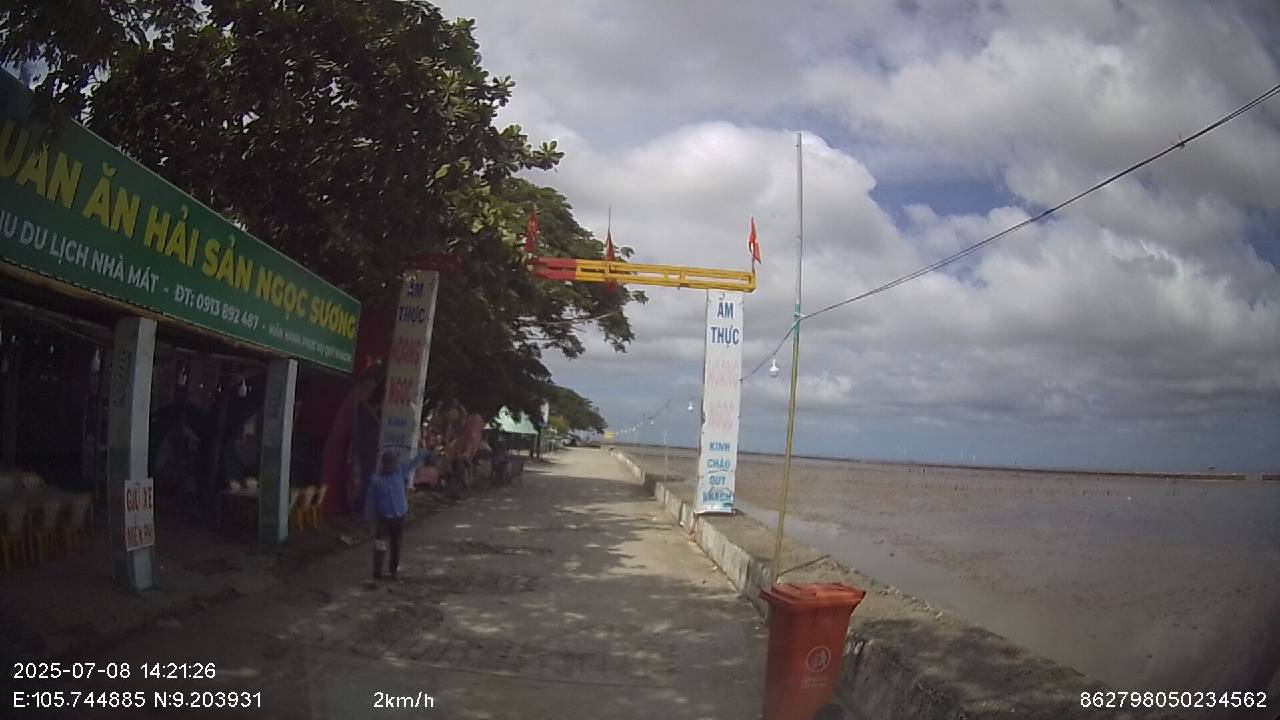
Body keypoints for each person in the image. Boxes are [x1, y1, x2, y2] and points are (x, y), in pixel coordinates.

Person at [365, 447, 431, 584]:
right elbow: (371, 501)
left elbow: (414, 462)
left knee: (397, 545)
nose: (394, 467)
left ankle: (393, 571)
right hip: (383, 518)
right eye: (391, 464)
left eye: (395, 464)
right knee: (379, 547)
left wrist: (425, 451)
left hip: (399, 517)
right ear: (384, 464)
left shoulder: (400, 471)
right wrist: (368, 520)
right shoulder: (376, 480)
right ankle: (376, 577)